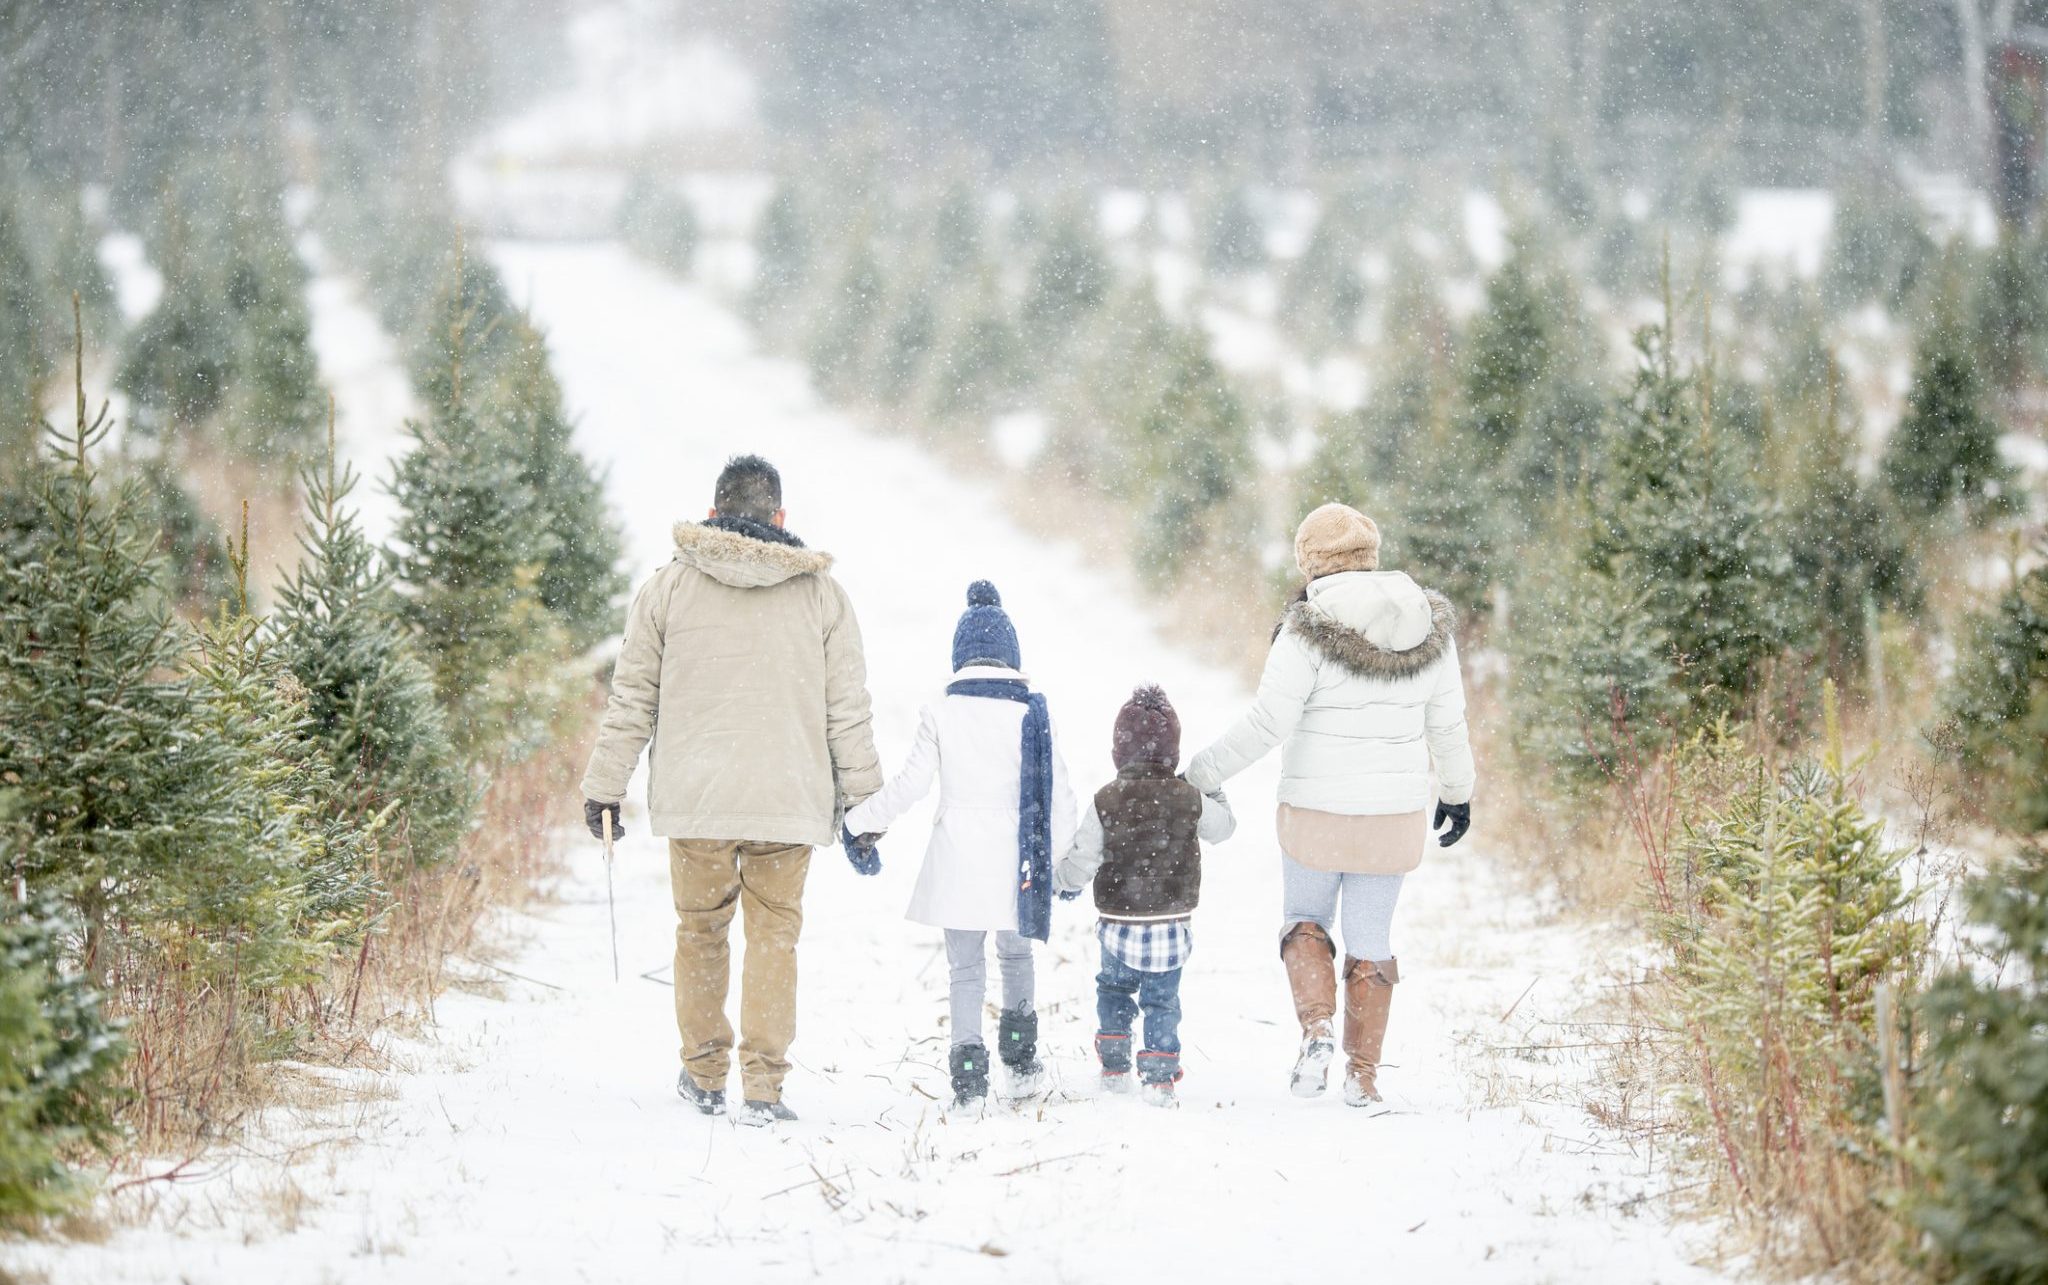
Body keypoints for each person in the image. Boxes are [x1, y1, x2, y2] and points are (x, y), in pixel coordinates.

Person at [579, 455, 881, 1127]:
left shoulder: (668, 590)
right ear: (780, 518)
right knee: (775, 936)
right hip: (788, 800)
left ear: (714, 513)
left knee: (701, 930)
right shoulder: (822, 596)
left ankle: (705, 1073)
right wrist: (866, 803)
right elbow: (848, 711)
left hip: (698, 799)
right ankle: (765, 1087)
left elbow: (631, 699)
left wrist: (605, 788)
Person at [1184, 503, 1474, 1108]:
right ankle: (1362, 1076)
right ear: (1371, 555)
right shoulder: (1428, 625)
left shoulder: (1305, 628)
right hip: (1392, 820)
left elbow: (1268, 724)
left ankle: (1316, 1032)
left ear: (1311, 563)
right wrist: (1457, 793)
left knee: (1305, 922)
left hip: (1315, 813)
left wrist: (1202, 773)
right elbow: (1448, 725)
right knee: (1372, 940)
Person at [843, 581, 1076, 1109]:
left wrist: (861, 822)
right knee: (1017, 957)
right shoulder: (1033, 713)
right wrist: (1063, 865)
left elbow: (909, 786)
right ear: (1011, 656)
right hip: (1018, 861)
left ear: (961, 657)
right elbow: (1060, 795)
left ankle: (968, 1079)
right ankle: (1020, 1064)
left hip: (959, 863)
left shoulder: (941, 712)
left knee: (965, 969)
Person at [1054, 686, 1236, 1107]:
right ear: (1173, 750)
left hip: (1120, 920)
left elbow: (1083, 856)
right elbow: (1224, 829)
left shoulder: (1107, 798)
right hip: (1171, 923)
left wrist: (1063, 883)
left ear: (1119, 750)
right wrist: (1212, 787)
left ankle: (1115, 1062)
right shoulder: (1187, 797)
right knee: (1162, 998)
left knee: (1113, 988)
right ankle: (1158, 1075)